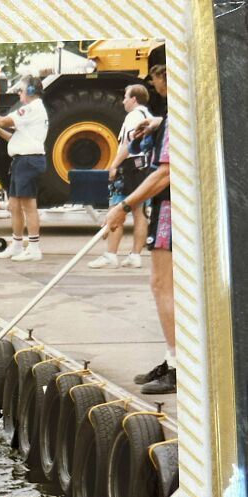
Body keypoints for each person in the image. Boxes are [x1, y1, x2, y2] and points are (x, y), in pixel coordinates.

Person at [104, 103, 174, 394]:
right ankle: (175, 359)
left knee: (162, 285)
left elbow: (165, 173)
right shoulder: (176, 114)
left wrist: (124, 205)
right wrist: (158, 122)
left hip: (171, 207)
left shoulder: (179, 114)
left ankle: (177, 365)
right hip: (181, 207)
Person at [0, 76, 48, 262]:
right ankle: (16, 245)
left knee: (28, 205)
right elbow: (18, 138)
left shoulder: (31, 108)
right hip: (22, 160)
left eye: (21, 90)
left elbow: (3, 120)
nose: (19, 93)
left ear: (31, 91)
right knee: (15, 205)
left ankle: (33, 247)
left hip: (28, 161)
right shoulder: (34, 111)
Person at [88, 84, 152, 269]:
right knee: (139, 212)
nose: (123, 100)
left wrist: (113, 165)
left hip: (129, 166)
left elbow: (127, 143)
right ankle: (135, 255)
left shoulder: (133, 116)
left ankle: (110, 254)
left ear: (134, 99)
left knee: (116, 208)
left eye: (125, 96)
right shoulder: (148, 115)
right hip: (143, 166)